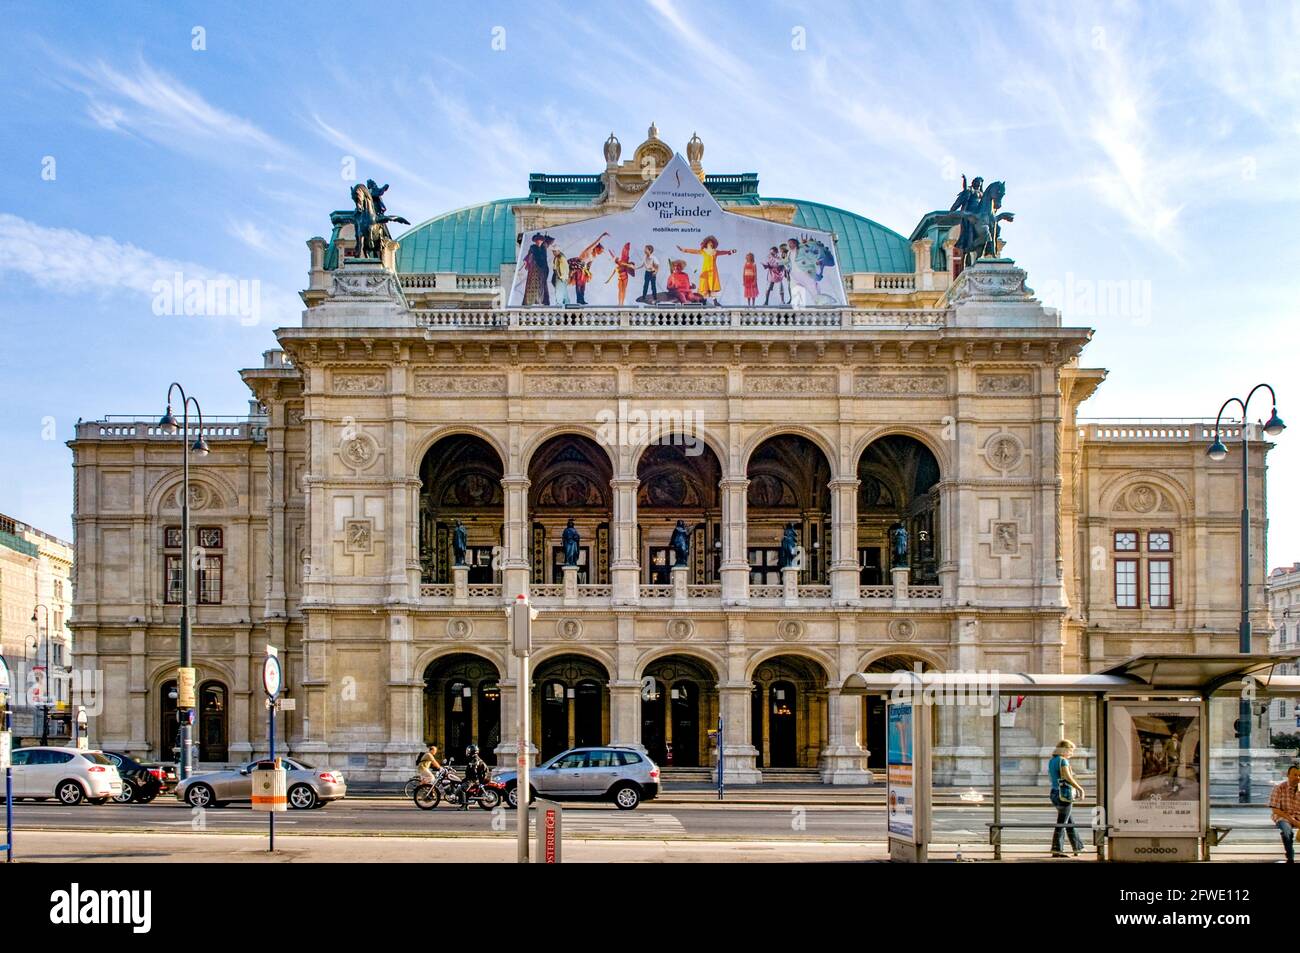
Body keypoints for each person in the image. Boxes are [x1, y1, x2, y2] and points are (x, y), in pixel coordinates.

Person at [1048, 739, 1085, 857]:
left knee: (1069, 821)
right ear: (1064, 749)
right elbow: (1067, 777)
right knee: (1062, 823)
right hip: (1064, 794)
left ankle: (1077, 847)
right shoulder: (1063, 761)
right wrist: (1080, 789)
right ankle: (1057, 849)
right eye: (1070, 750)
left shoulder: (1052, 760)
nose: (1072, 753)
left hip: (1054, 793)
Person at [1270, 763, 1300, 863]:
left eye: (1299, 775)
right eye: (1294, 775)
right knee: (1287, 831)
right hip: (1283, 816)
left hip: (1298, 816)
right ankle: (1290, 857)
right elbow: (1275, 810)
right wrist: (1293, 821)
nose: (1297, 777)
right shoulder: (1279, 788)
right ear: (1288, 775)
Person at [457, 744, 488, 811]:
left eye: (468, 751)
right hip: (472, 779)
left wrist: (469, 779)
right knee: (460, 784)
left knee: (462, 788)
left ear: (472, 751)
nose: (467, 752)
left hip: (473, 780)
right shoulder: (474, 758)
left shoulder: (475, 760)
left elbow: (474, 771)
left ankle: (464, 806)